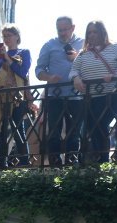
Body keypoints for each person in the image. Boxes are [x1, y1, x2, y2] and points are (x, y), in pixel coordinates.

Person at [69, 20, 117, 163]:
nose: (91, 35)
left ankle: (101, 161)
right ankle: (92, 160)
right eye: (89, 32)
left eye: (95, 31)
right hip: (90, 96)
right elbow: (73, 69)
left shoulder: (114, 47)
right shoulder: (83, 53)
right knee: (91, 127)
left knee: (100, 124)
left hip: (111, 94)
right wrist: (76, 79)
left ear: (102, 32)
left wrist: (116, 75)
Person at [35, 16, 84, 166]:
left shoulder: (83, 44)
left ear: (73, 28)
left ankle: (71, 165)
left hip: (76, 95)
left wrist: (77, 57)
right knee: (54, 132)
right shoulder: (49, 45)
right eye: (59, 30)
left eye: (65, 29)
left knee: (74, 132)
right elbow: (39, 70)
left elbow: (89, 65)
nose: (62, 33)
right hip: (54, 95)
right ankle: (55, 166)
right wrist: (49, 77)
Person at [0, 25, 32, 167]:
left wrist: (6, 58)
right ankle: (1, 162)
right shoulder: (0, 55)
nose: (6, 39)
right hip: (0, 95)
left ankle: (24, 161)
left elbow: (22, 71)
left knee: (17, 127)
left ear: (17, 37)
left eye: (9, 35)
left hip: (17, 96)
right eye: (4, 36)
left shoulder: (24, 52)